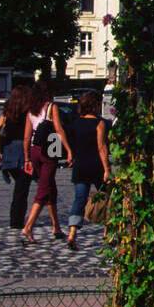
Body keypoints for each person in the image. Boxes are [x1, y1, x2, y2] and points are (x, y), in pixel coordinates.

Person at [20, 80, 73, 244]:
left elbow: (27, 137)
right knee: (43, 189)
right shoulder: (51, 107)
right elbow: (59, 129)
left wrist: (27, 158)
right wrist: (69, 150)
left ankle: (56, 226)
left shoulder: (31, 110)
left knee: (50, 187)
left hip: (34, 149)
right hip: (50, 148)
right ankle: (28, 226)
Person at [67, 91, 111, 251]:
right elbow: (101, 147)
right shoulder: (99, 124)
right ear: (96, 105)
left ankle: (72, 233)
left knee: (79, 200)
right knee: (108, 198)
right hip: (96, 166)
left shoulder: (76, 123)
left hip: (80, 166)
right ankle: (107, 232)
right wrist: (107, 169)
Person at [0, 85, 32, 231]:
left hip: (8, 151)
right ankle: (16, 220)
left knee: (19, 187)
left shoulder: (6, 113)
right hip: (22, 151)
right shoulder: (28, 113)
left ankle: (16, 219)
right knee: (22, 189)